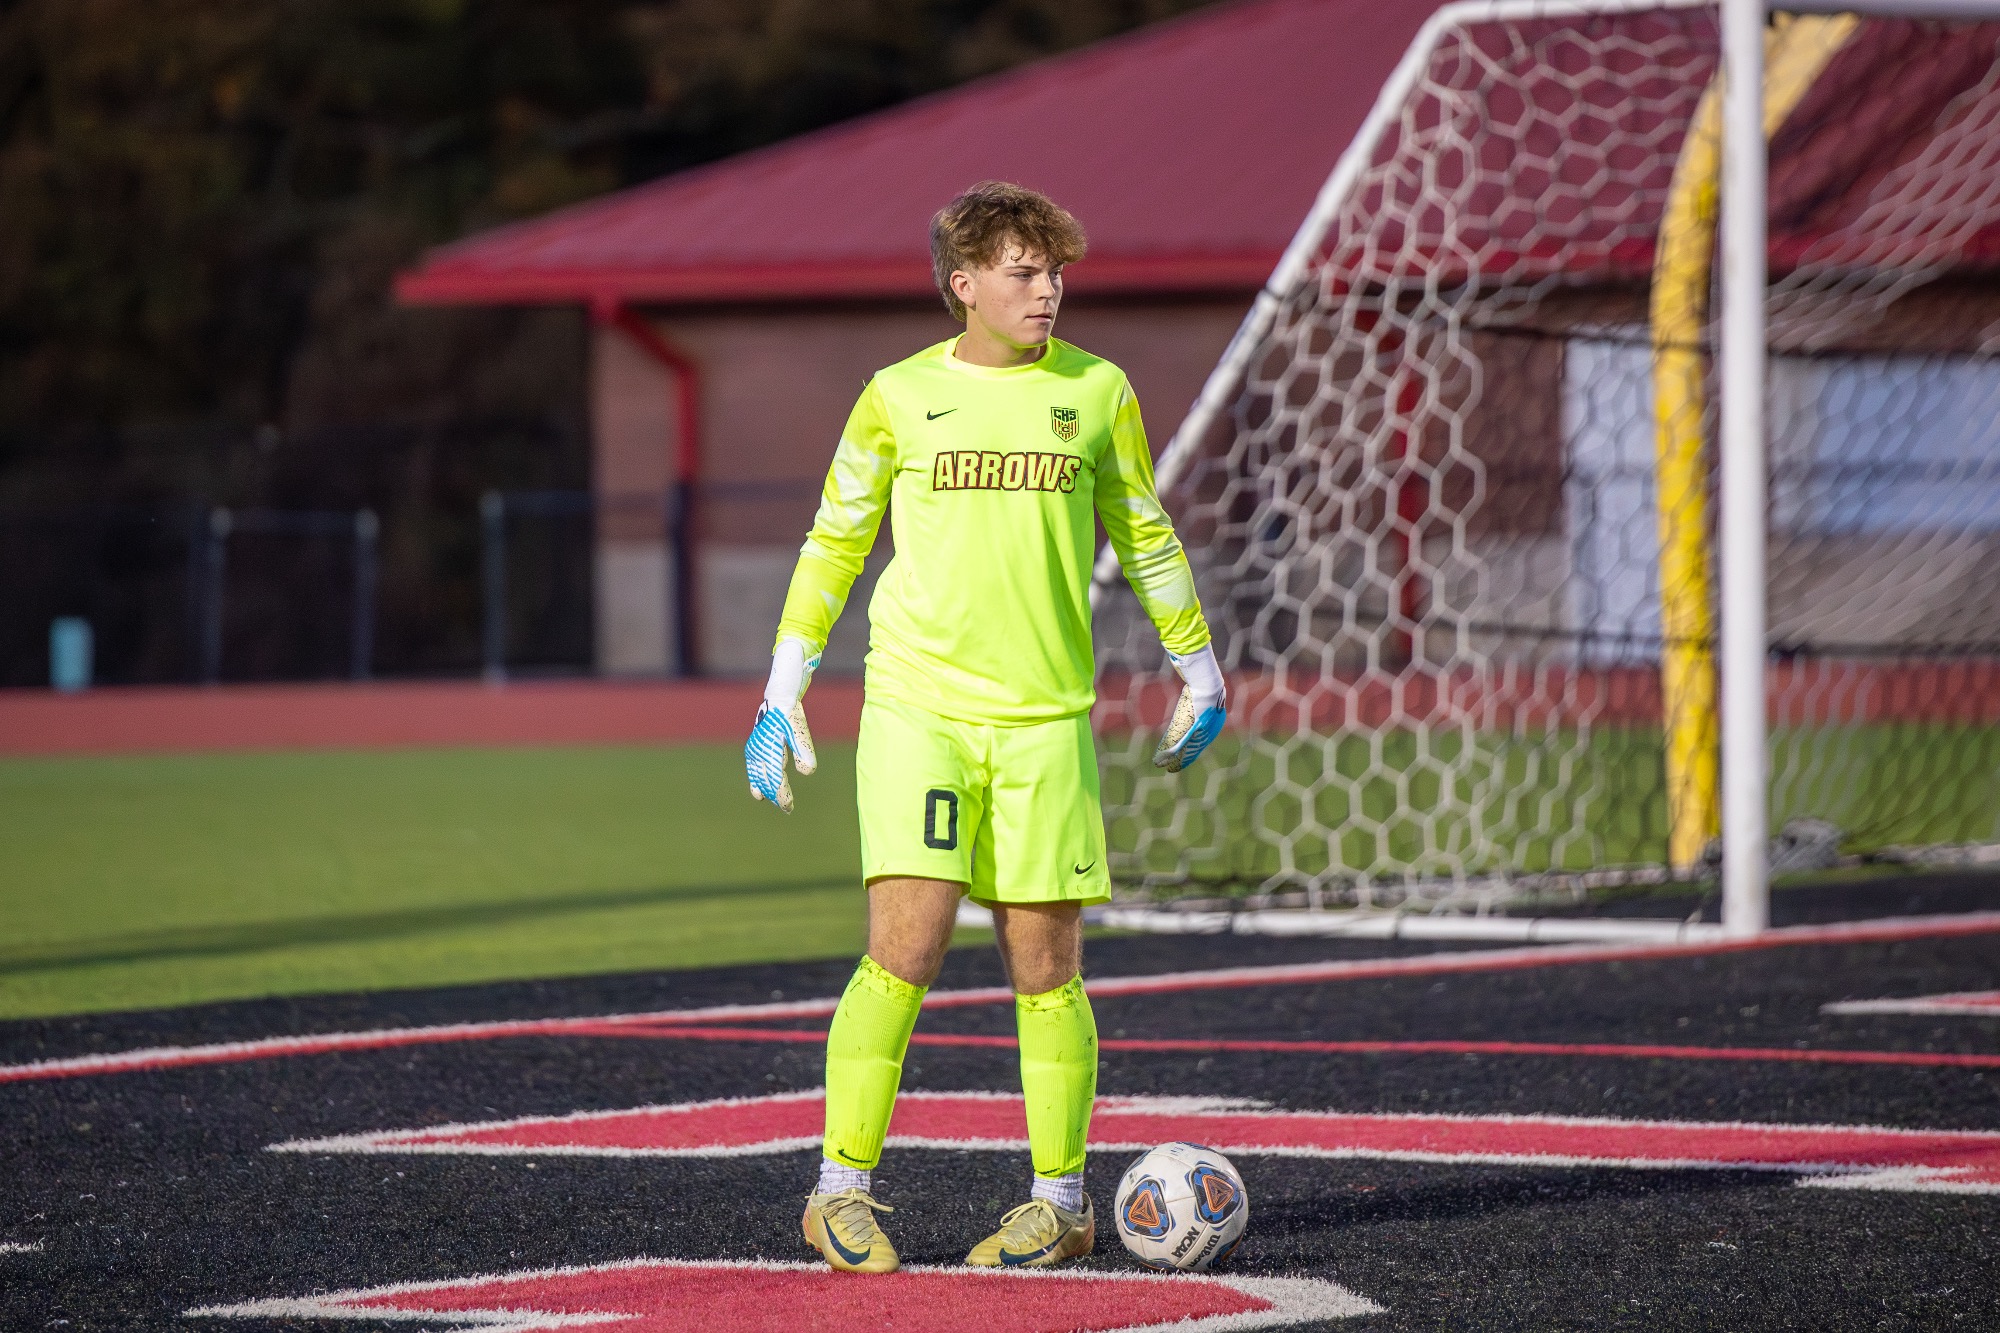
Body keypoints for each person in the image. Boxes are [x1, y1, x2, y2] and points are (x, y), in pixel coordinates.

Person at [744, 180, 1226, 1274]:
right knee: (902, 950)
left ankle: (1058, 1203)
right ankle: (838, 1192)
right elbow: (834, 540)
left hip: (1048, 720)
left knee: (1046, 965)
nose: (1047, 290)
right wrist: (783, 686)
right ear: (963, 285)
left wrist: (1198, 671)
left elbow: (1145, 536)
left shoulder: (1098, 393)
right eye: (1022, 271)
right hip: (919, 706)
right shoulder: (896, 396)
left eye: (1055, 272)